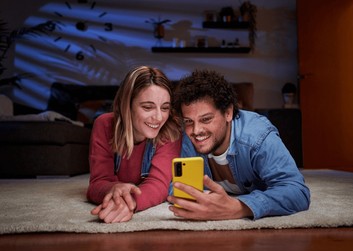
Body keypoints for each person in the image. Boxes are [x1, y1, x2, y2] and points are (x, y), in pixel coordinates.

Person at [167, 69, 310, 220]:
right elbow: (174, 186)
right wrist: (203, 199)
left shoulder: (257, 137)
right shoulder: (188, 137)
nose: (196, 131)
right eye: (189, 121)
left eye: (206, 119)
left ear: (228, 112)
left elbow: (297, 192)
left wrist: (239, 207)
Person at [87, 66, 181, 223]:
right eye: (147, 107)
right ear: (127, 105)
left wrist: (128, 203)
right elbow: (97, 183)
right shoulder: (104, 125)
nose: (158, 117)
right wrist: (114, 189)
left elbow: (158, 184)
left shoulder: (171, 131)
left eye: (165, 108)